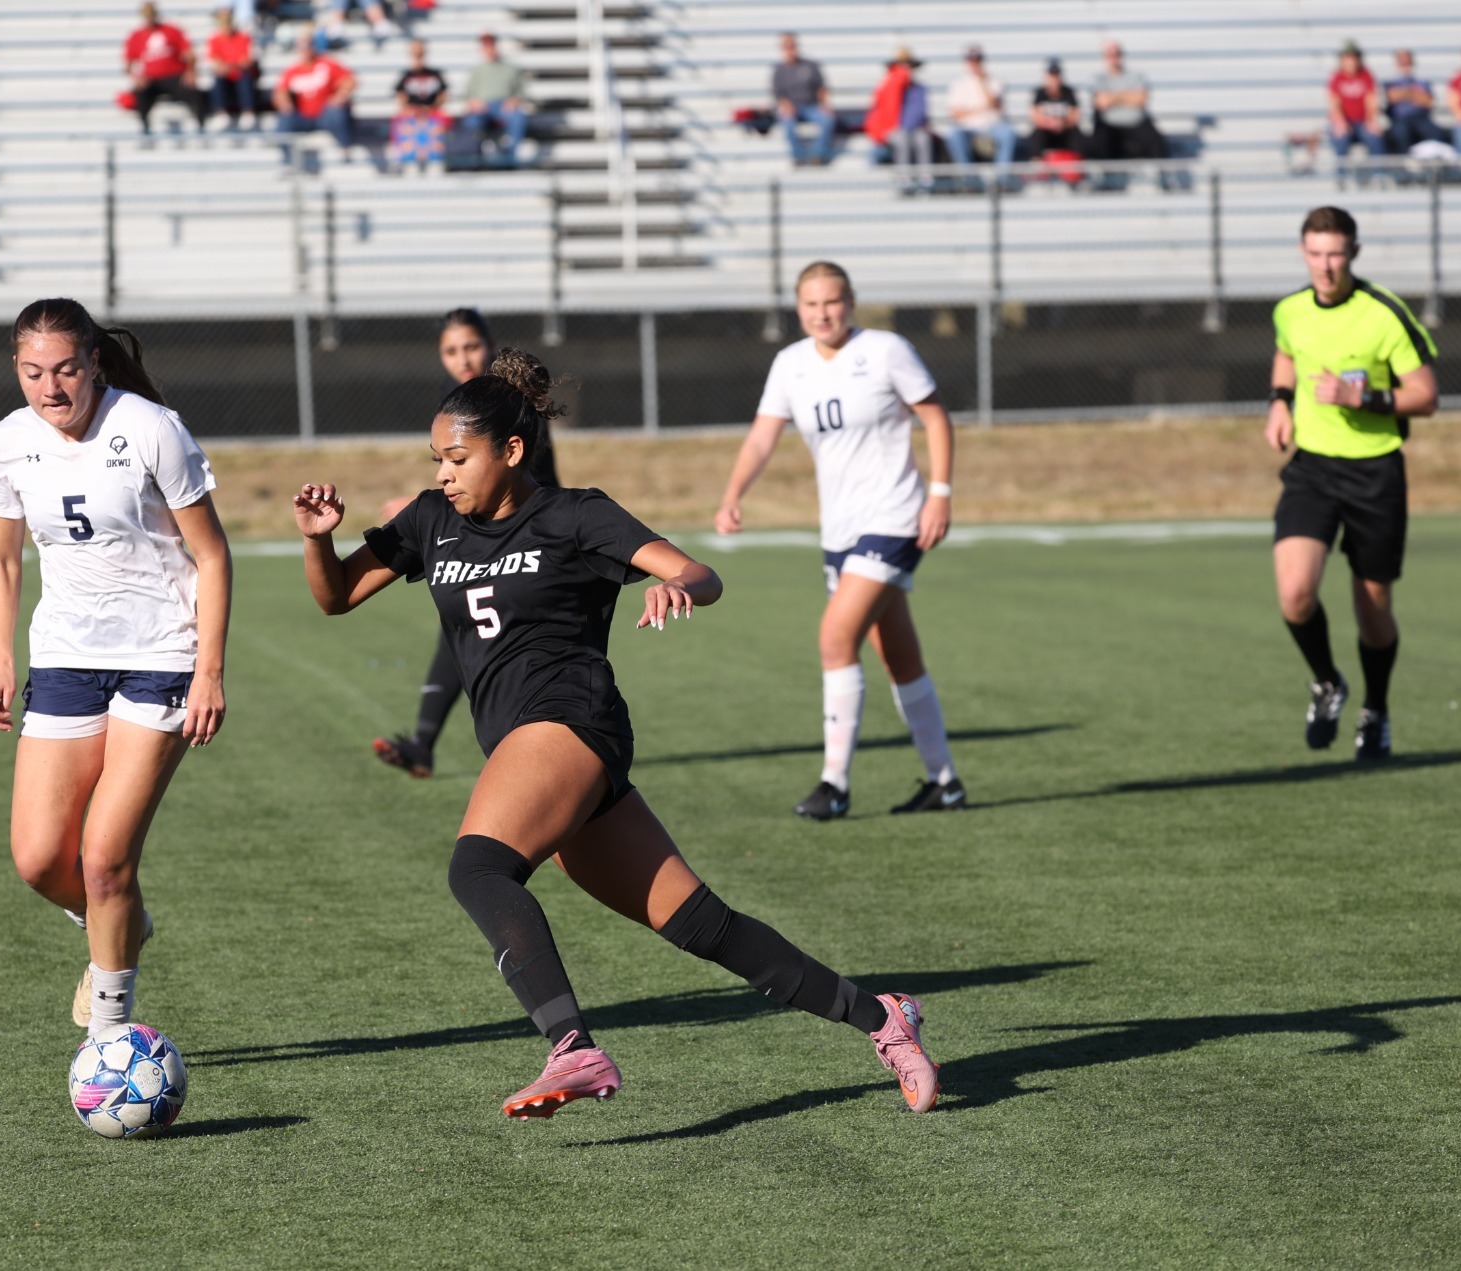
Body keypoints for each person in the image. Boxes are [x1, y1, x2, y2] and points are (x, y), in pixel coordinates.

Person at [292, 349, 941, 1119]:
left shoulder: (575, 515)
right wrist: (316, 539)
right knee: (703, 924)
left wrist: (675, 584)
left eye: (458, 458)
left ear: (512, 450)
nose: (444, 474)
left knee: (477, 871)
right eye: (437, 459)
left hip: (571, 720)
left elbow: (704, 573)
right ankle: (884, 1016)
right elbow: (335, 598)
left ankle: (573, 1047)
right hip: (531, 748)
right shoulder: (431, 522)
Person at [0, 297, 233, 1039]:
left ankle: (112, 1035)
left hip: (160, 658)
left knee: (105, 859)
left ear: (93, 362)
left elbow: (212, 555)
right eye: (32, 373)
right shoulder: (10, 441)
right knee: (37, 860)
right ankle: (123, 924)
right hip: (64, 659)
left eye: (64, 369)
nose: (50, 388)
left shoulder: (151, 428)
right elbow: (1, 556)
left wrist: (209, 670)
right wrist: (1, 658)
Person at [716, 262, 964, 821]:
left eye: (832, 302)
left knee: (835, 637)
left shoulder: (884, 350)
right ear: (797, 309)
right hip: (841, 531)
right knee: (897, 654)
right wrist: (734, 492)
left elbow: (937, 418)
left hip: (895, 518)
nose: (822, 313)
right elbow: (762, 436)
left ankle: (834, 783)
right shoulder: (791, 365)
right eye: (810, 305)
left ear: (850, 303)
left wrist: (940, 493)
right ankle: (944, 782)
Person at [1265, 207, 1438, 763]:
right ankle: (1327, 683)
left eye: (1336, 253)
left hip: (1375, 471)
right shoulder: (1290, 309)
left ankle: (1376, 709)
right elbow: (1288, 351)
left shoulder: (1384, 313)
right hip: (1313, 468)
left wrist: (1360, 397)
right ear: (1303, 253)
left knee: (1373, 607)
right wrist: (1279, 404)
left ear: (1353, 253)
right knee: (1295, 595)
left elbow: (1426, 396)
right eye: (1316, 254)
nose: (1326, 266)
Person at [373, 309, 563, 779]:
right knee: (463, 624)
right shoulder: (455, 399)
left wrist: (430, 503)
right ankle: (427, 743)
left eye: (471, 346)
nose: (463, 358)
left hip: (525, 530)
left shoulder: (510, 404)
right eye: (451, 351)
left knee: (498, 632)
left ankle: (545, 740)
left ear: (490, 344)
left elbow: (523, 481)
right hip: (481, 528)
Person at [123, 3, 205, 135]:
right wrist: (136, 77)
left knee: (194, 92)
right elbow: (128, 64)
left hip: (174, 76)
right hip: (151, 79)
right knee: (139, 94)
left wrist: (190, 72)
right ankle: (145, 127)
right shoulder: (136, 36)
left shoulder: (171, 31)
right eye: (146, 15)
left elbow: (189, 54)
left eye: (151, 14)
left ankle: (201, 124)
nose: (149, 18)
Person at [274, 34, 357, 162]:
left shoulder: (327, 64)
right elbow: (280, 92)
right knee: (284, 118)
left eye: (307, 47)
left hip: (325, 115)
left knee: (336, 110)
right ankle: (286, 158)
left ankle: (345, 146)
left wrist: (341, 95)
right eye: (301, 48)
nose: (305, 51)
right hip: (303, 116)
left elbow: (350, 81)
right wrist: (285, 102)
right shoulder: (292, 70)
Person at [1090, 40, 1169, 162]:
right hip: (1110, 126)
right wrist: (1128, 95)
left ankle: (1162, 177)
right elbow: (1102, 102)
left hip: (1136, 124)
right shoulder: (1100, 78)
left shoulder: (1135, 76)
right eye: (1111, 55)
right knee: (1099, 142)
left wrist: (1113, 97)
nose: (1114, 58)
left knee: (1156, 141)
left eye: (1117, 54)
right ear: (1105, 57)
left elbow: (1142, 100)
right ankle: (1104, 180)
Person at [458, 32, 529, 165]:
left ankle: (510, 158)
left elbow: (521, 92)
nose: (489, 48)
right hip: (484, 109)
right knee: (471, 121)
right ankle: (474, 159)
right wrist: (475, 103)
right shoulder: (477, 70)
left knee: (518, 118)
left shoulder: (510, 68)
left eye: (491, 45)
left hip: (504, 107)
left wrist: (513, 100)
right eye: (486, 45)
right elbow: (469, 95)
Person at [945, 44, 1016, 175]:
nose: (975, 63)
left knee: (1008, 133)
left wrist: (982, 82)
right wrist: (981, 108)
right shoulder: (959, 84)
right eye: (971, 60)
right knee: (954, 134)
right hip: (968, 128)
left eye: (977, 59)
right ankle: (969, 177)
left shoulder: (995, 81)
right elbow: (955, 114)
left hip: (993, 126)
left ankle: (1001, 178)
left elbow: (994, 103)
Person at [864, 48, 932, 183]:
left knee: (922, 138)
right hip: (893, 130)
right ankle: (903, 177)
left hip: (911, 129)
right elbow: (882, 112)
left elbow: (919, 113)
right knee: (902, 138)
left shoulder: (919, 89)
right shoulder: (888, 86)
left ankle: (926, 176)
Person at [772, 32, 834, 167]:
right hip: (792, 108)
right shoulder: (779, 70)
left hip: (811, 106)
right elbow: (778, 94)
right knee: (787, 122)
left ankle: (818, 155)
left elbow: (822, 88)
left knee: (828, 119)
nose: (790, 50)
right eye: (786, 47)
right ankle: (798, 156)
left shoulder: (810, 66)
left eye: (792, 46)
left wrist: (823, 104)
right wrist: (786, 105)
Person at [1326, 41, 1384, 180]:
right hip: (1345, 122)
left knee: (1375, 138)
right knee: (1341, 138)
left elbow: (1371, 101)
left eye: (1354, 58)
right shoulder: (1337, 77)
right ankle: (1342, 176)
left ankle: (1380, 174)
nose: (1351, 62)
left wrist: (1370, 121)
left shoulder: (1366, 75)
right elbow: (1334, 103)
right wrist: (1340, 122)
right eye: (1348, 58)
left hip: (1362, 122)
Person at [390, 38, 449, 171]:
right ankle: (405, 160)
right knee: (400, 122)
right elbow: (401, 98)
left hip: (432, 112)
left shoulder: (435, 74)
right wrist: (411, 109)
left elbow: (443, 96)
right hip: (413, 112)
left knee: (441, 122)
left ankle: (437, 160)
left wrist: (430, 109)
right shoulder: (406, 75)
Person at [1382, 49, 1447, 153]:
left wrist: (1403, 93)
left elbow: (1428, 101)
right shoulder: (1390, 82)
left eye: (1408, 61)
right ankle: (1405, 162)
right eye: (1402, 61)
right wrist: (1414, 93)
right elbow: (1392, 97)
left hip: (1421, 118)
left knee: (1436, 133)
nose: (1405, 64)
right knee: (1400, 133)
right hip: (1400, 119)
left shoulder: (1422, 81)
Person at [204, 7, 256, 132]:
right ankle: (221, 113)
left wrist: (228, 65)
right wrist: (231, 65)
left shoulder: (243, 37)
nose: (226, 26)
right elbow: (215, 61)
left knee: (244, 77)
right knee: (218, 78)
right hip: (226, 75)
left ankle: (248, 112)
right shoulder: (214, 40)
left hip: (241, 74)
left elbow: (247, 61)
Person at [1027, 56, 1086, 159]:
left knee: (1077, 135)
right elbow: (1035, 117)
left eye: (1056, 75)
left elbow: (1075, 116)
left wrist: (1062, 123)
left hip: (1065, 132)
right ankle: (1036, 165)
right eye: (1052, 75)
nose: (1054, 79)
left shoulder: (1069, 93)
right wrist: (1050, 123)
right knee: (1037, 135)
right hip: (1047, 132)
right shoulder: (1040, 93)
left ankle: (1077, 166)